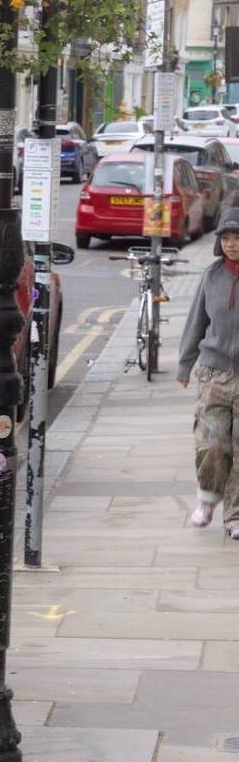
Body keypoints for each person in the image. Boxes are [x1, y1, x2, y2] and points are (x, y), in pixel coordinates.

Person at [177, 208, 239, 538]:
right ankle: (208, 499)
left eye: (237, 238)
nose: (231, 244)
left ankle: (236, 516)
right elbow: (196, 323)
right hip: (214, 374)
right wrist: (185, 364)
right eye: (226, 238)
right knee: (212, 442)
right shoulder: (211, 276)